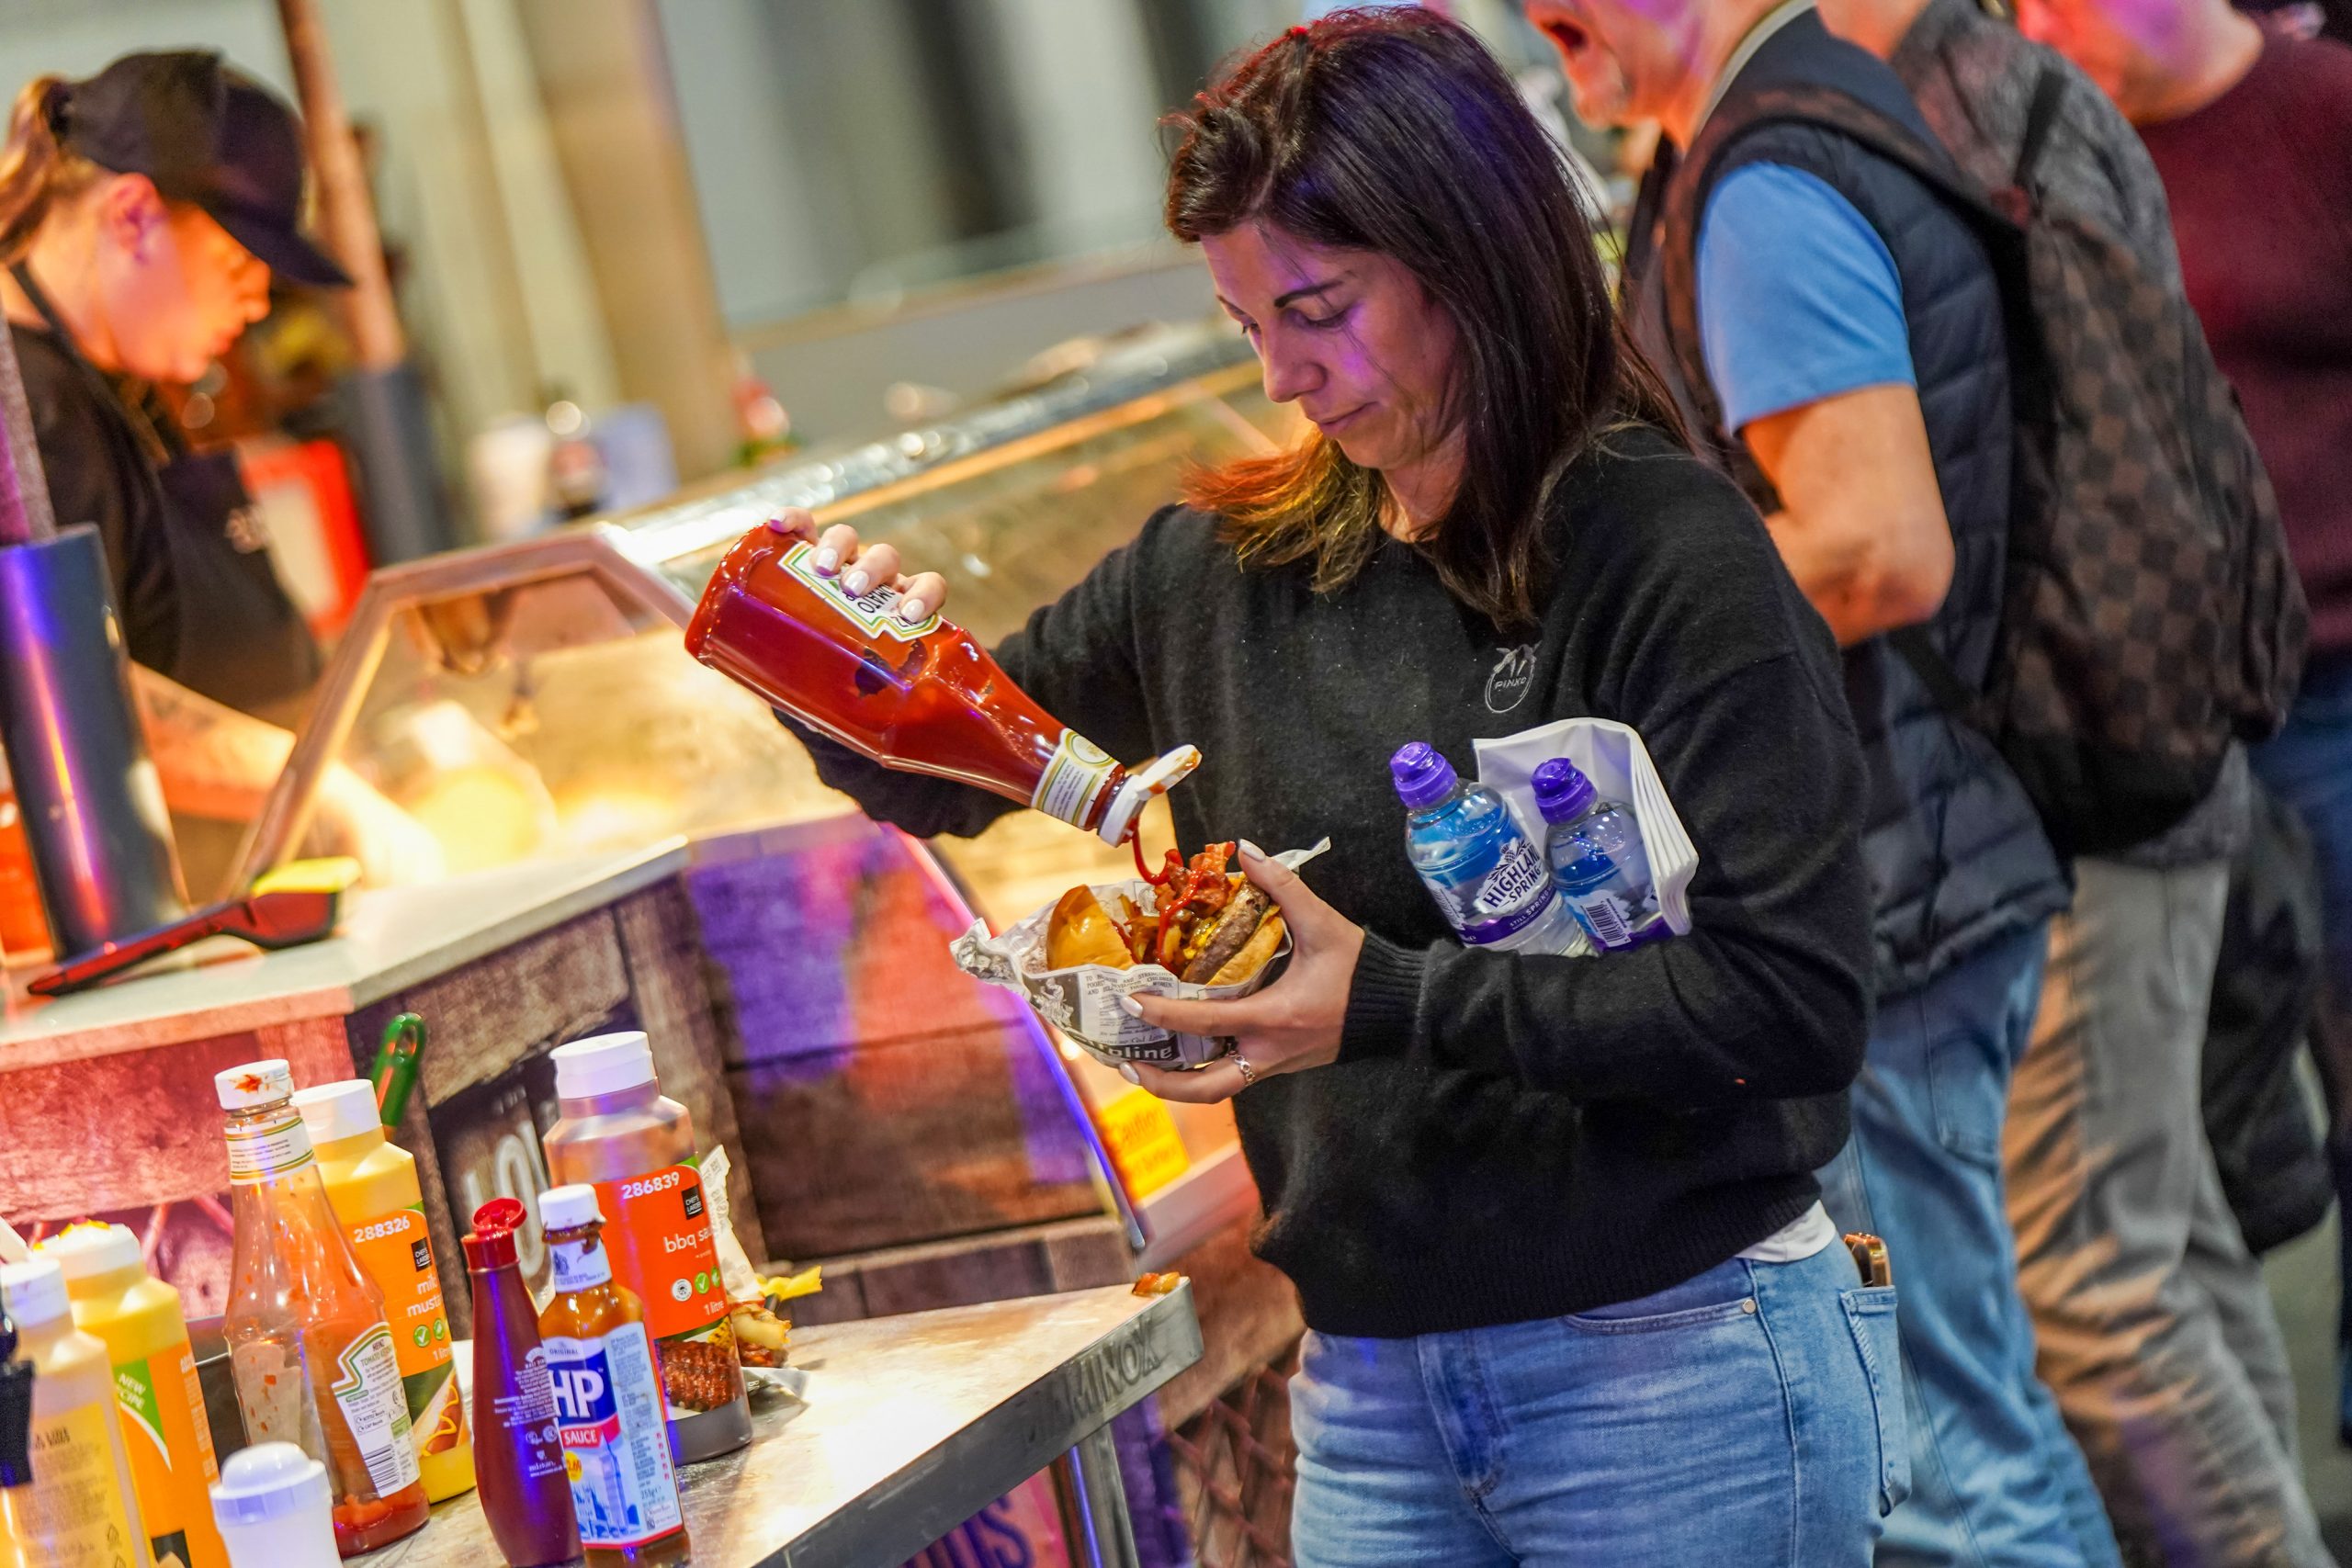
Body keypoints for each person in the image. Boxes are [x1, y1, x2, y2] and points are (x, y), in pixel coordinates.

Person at [772, 13, 1898, 1564]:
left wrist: (1382, 999)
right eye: (1246, 323)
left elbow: (1791, 1004)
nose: (1283, 374)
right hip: (1368, 1396)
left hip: (1675, 1363)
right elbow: (943, 775)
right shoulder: (1217, 571)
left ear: (1473, 263)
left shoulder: (1669, 557)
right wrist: (832, 659)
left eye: (1318, 310)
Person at [1527, 1, 2120, 1563]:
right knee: (1977, 1417)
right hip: (1913, 851)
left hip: (1887, 878)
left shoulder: (1760, 179)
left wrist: (1612, 635)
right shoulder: (1751, 129)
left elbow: (1876, 546)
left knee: (1948, 1461)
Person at [1810, 0, 2334, 1560]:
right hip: (2128, 746)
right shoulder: (1977, 91)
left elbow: (1898, 538)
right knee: (2162, 1255)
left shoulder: (1930, 107)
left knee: (2100, 1292)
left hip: (2086, 767)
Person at [2014, 0, 2352, 1462]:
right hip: (2164, 703)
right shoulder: (2049, 139)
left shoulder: (2320, 111)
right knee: (2199, 1096)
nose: (2034, 23)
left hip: (2331, 678)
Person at [0, 51, 438, 892]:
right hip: (163, 910)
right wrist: (320, 788)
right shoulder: (18, 413)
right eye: (239, 267)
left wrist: (371, 747)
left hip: (261, 885)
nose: (258, 304)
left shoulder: (127, 378)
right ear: (132, 216)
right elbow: (59, 690)